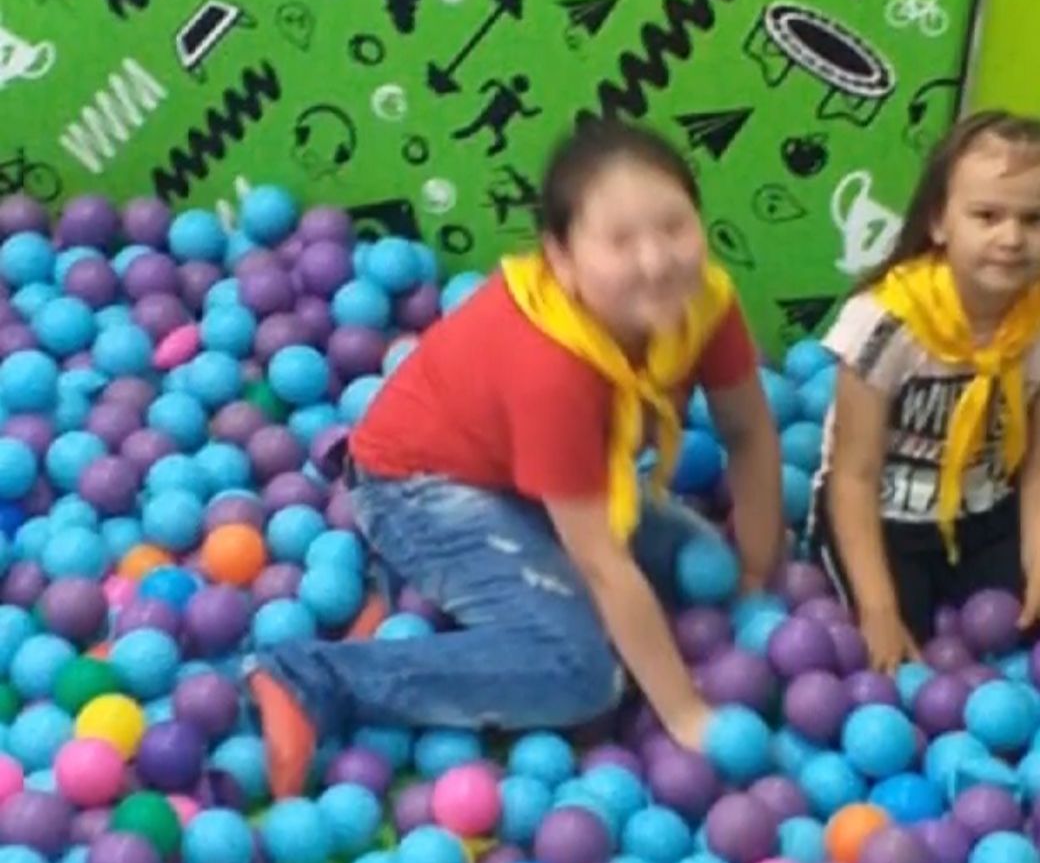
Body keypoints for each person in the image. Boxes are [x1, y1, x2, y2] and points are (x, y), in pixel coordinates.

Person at [250, 120, 786, 796]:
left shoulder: (703, 303)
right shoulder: (552, 368)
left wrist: (757, 574)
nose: (656, 261)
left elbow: (749, 433)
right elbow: (602, 562)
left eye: (675, 227)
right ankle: (310, 677)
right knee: (580, 673)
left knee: (701, 564)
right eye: (620, 242)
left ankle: (424, 588)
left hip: (537, 483)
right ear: (561, 258)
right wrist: (685, 714)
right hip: (416, 486)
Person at [812, 110, 1040, 673]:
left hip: (988, 512)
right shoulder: (886, 325)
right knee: (890, 666)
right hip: (883, 518)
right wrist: (878, 607)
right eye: (987, 215)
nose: (1011, 238)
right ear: (939, 221)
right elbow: (853, 475)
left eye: (1035, 219)